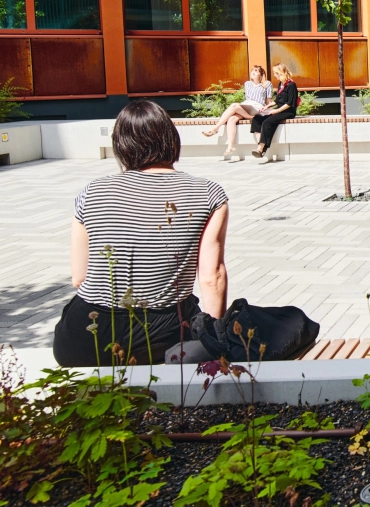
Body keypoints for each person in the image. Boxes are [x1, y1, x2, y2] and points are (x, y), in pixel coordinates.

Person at [53, 100, 229, 367]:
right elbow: (212, 277)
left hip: (81, 339)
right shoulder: (208, 194)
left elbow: (80, 278)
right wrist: (214, 342)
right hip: (160, 336)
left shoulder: (91, 192)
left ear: (121, 144)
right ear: (171, 138)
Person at [202, 65, 274, 160]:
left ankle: (215, 128)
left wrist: (269, 109)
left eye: (256, 71)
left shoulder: (267, 84)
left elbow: (268, 100)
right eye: (252, 70)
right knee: (231, 119)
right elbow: (247, 98)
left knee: (234, 105)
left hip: (257, 107)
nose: (253, 72)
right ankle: (230, 146)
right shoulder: (247, 84)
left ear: (261, 75)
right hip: (246, 106)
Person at [250, 63, 298, 161]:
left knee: (267, 122)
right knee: (256, 119)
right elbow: (276, 101)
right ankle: (262, 145)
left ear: (280, 73)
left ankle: (260, 148)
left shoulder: (292, 85)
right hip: (279, 110)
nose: (274, 75)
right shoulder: (281, 84)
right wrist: (266, 107)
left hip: (287, 112)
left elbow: (289, 103)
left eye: (275, 73)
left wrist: (276, 111)